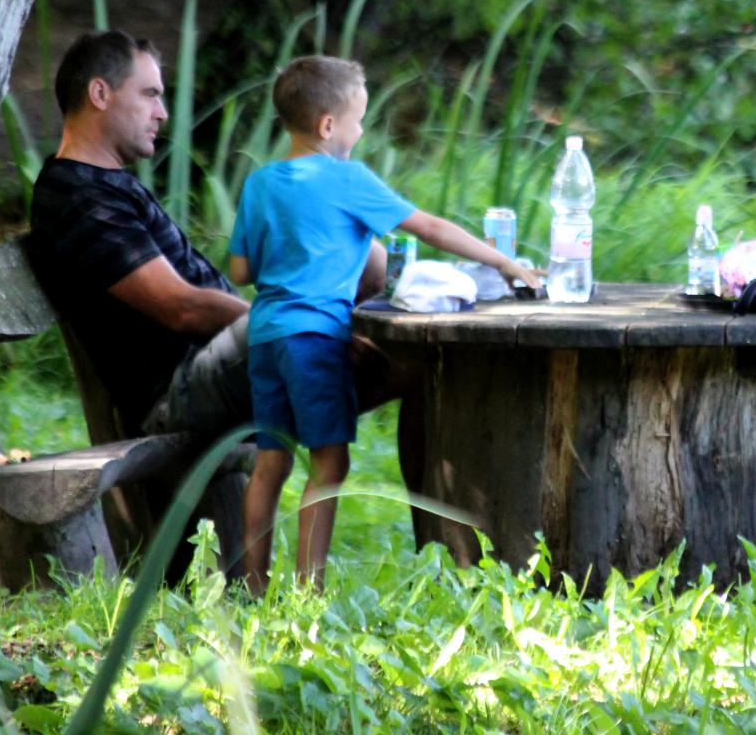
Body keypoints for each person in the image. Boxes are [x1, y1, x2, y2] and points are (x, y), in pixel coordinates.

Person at [228, 55, 539, 596]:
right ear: (329, 126)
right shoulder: (347, 180)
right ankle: (307, 594)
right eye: (359, 119)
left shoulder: (260, 184)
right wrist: (505, 263)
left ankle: (251, 588)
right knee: (329, 463)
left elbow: (241, 270)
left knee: (270, 465)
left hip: (266, 336)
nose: (363, 130)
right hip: (314, 338)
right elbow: (430, 226)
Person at [27, 30, 405, 458]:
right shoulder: (78, 196)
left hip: (215, 368)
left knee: (384, 288)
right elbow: (181, 307)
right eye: (150, 95)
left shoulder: (103, 185)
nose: (163, 113)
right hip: (178, 395)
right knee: (419, 361)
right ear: (100, 93)